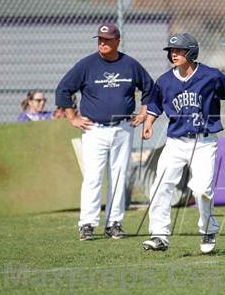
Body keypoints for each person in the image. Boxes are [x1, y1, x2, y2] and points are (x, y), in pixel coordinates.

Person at [142, 33, 225, 253]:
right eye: (172, 50)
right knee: (160, 185)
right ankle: (159, 235)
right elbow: (155, 105)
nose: (174, 54)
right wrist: (149, 123)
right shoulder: (165, 80)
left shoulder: (211, 76)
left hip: (204, 142)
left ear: (191, 52)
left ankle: (208, 230)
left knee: (201, 191)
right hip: (175, 143)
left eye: (179, 50)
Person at [55, 22, 154, 241]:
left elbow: (149, 87)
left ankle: (114, 223)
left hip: (123, 128)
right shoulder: (87, 65)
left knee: (119, 176)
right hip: (94, 129)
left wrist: (144, 113)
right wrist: (73, 117)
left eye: (107, 39)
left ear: (117, 41)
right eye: (100, 39)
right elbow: (63, 89)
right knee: (93, 177)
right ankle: (87, 224)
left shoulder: (130, 64)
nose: (102, 43)